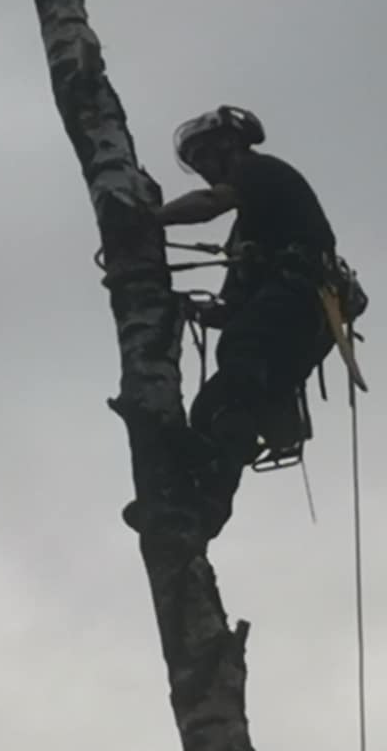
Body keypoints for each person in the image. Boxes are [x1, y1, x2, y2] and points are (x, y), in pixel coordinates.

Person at [124, 105, 359, 540]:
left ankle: (206, 481)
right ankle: (206, 504)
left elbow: (212, 203)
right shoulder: (247, 235)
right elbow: (232, 307)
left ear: (228, 145)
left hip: (302, 297)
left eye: (205, 157)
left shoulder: (260, 171)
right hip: (295, 320)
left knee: (239, 355)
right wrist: (191, 310)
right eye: (195, 163)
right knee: (217, 407)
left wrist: (146, 220)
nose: (204, 170)